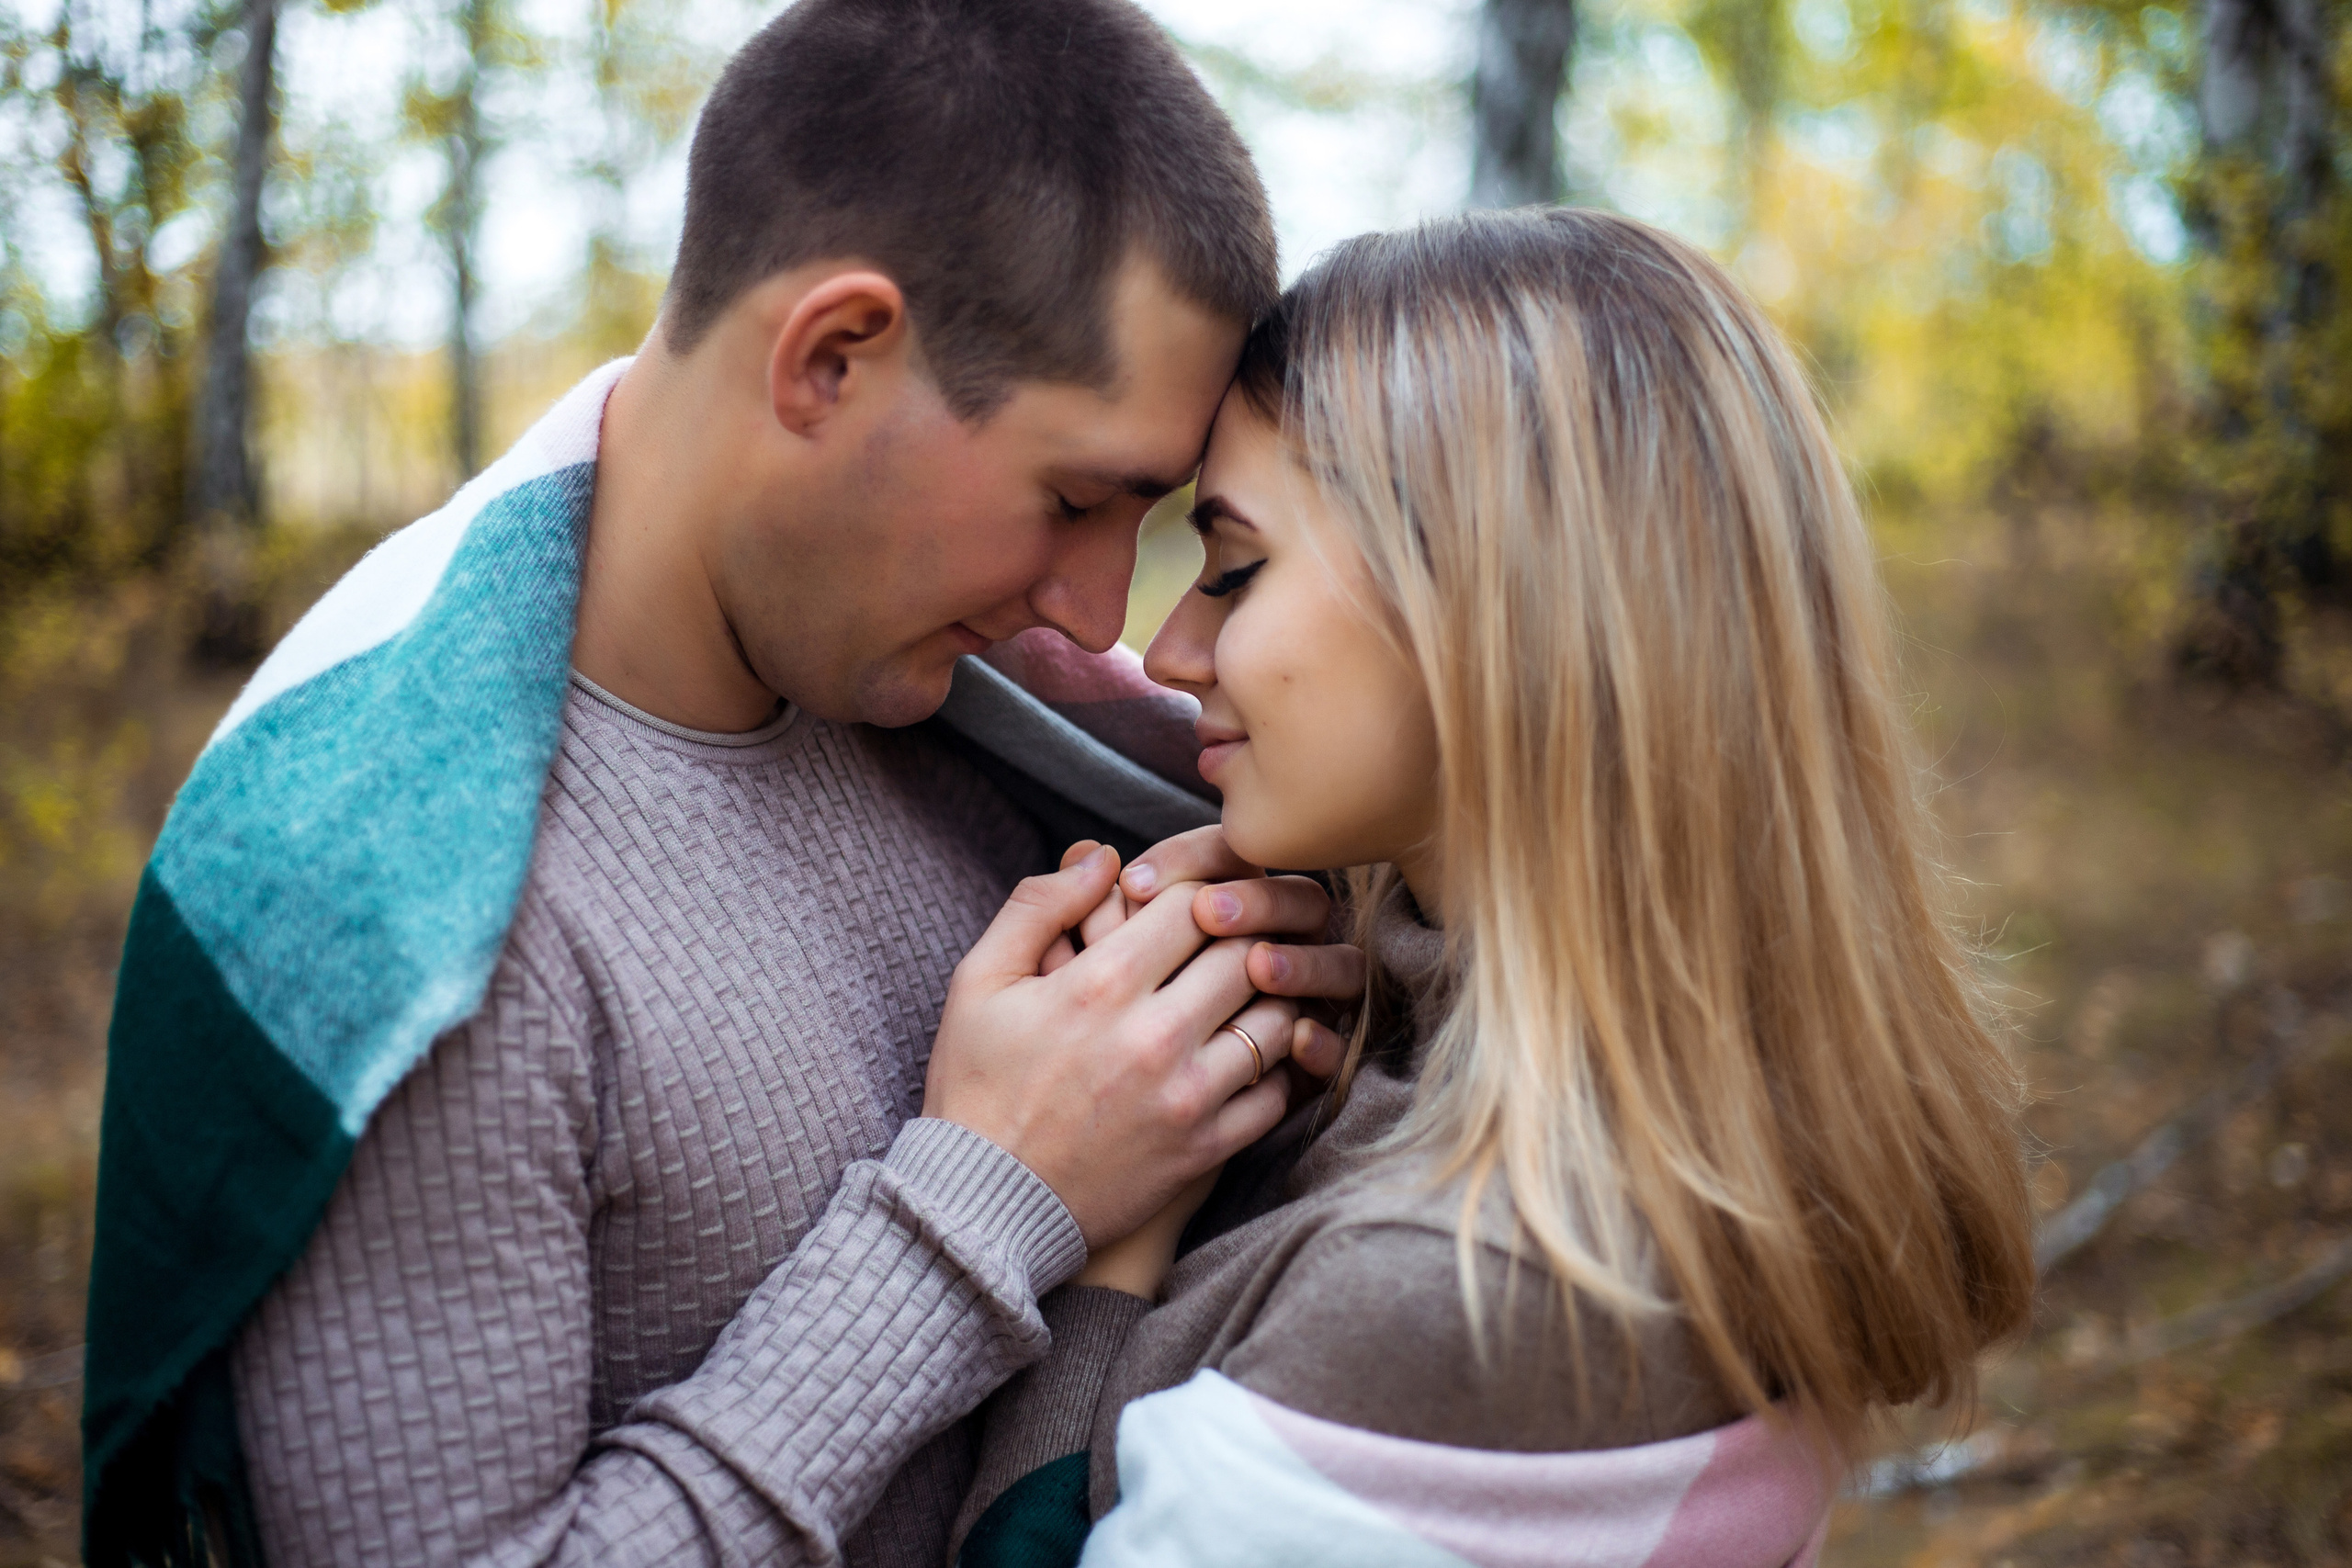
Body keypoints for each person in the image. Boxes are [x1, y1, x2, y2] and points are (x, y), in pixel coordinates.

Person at [79, 3, 1364, 1564]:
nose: (1102, 618)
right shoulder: (404, 918)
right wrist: (978, 1208)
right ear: (830, 356)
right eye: (1076, 499)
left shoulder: (1006, 732)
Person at [951, 208, 2040, 1567]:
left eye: (1234, 568)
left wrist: (1098, 1233)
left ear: (1482, 603)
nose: (1169, 649)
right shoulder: (1714, 1125)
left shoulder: (1464, 1300)